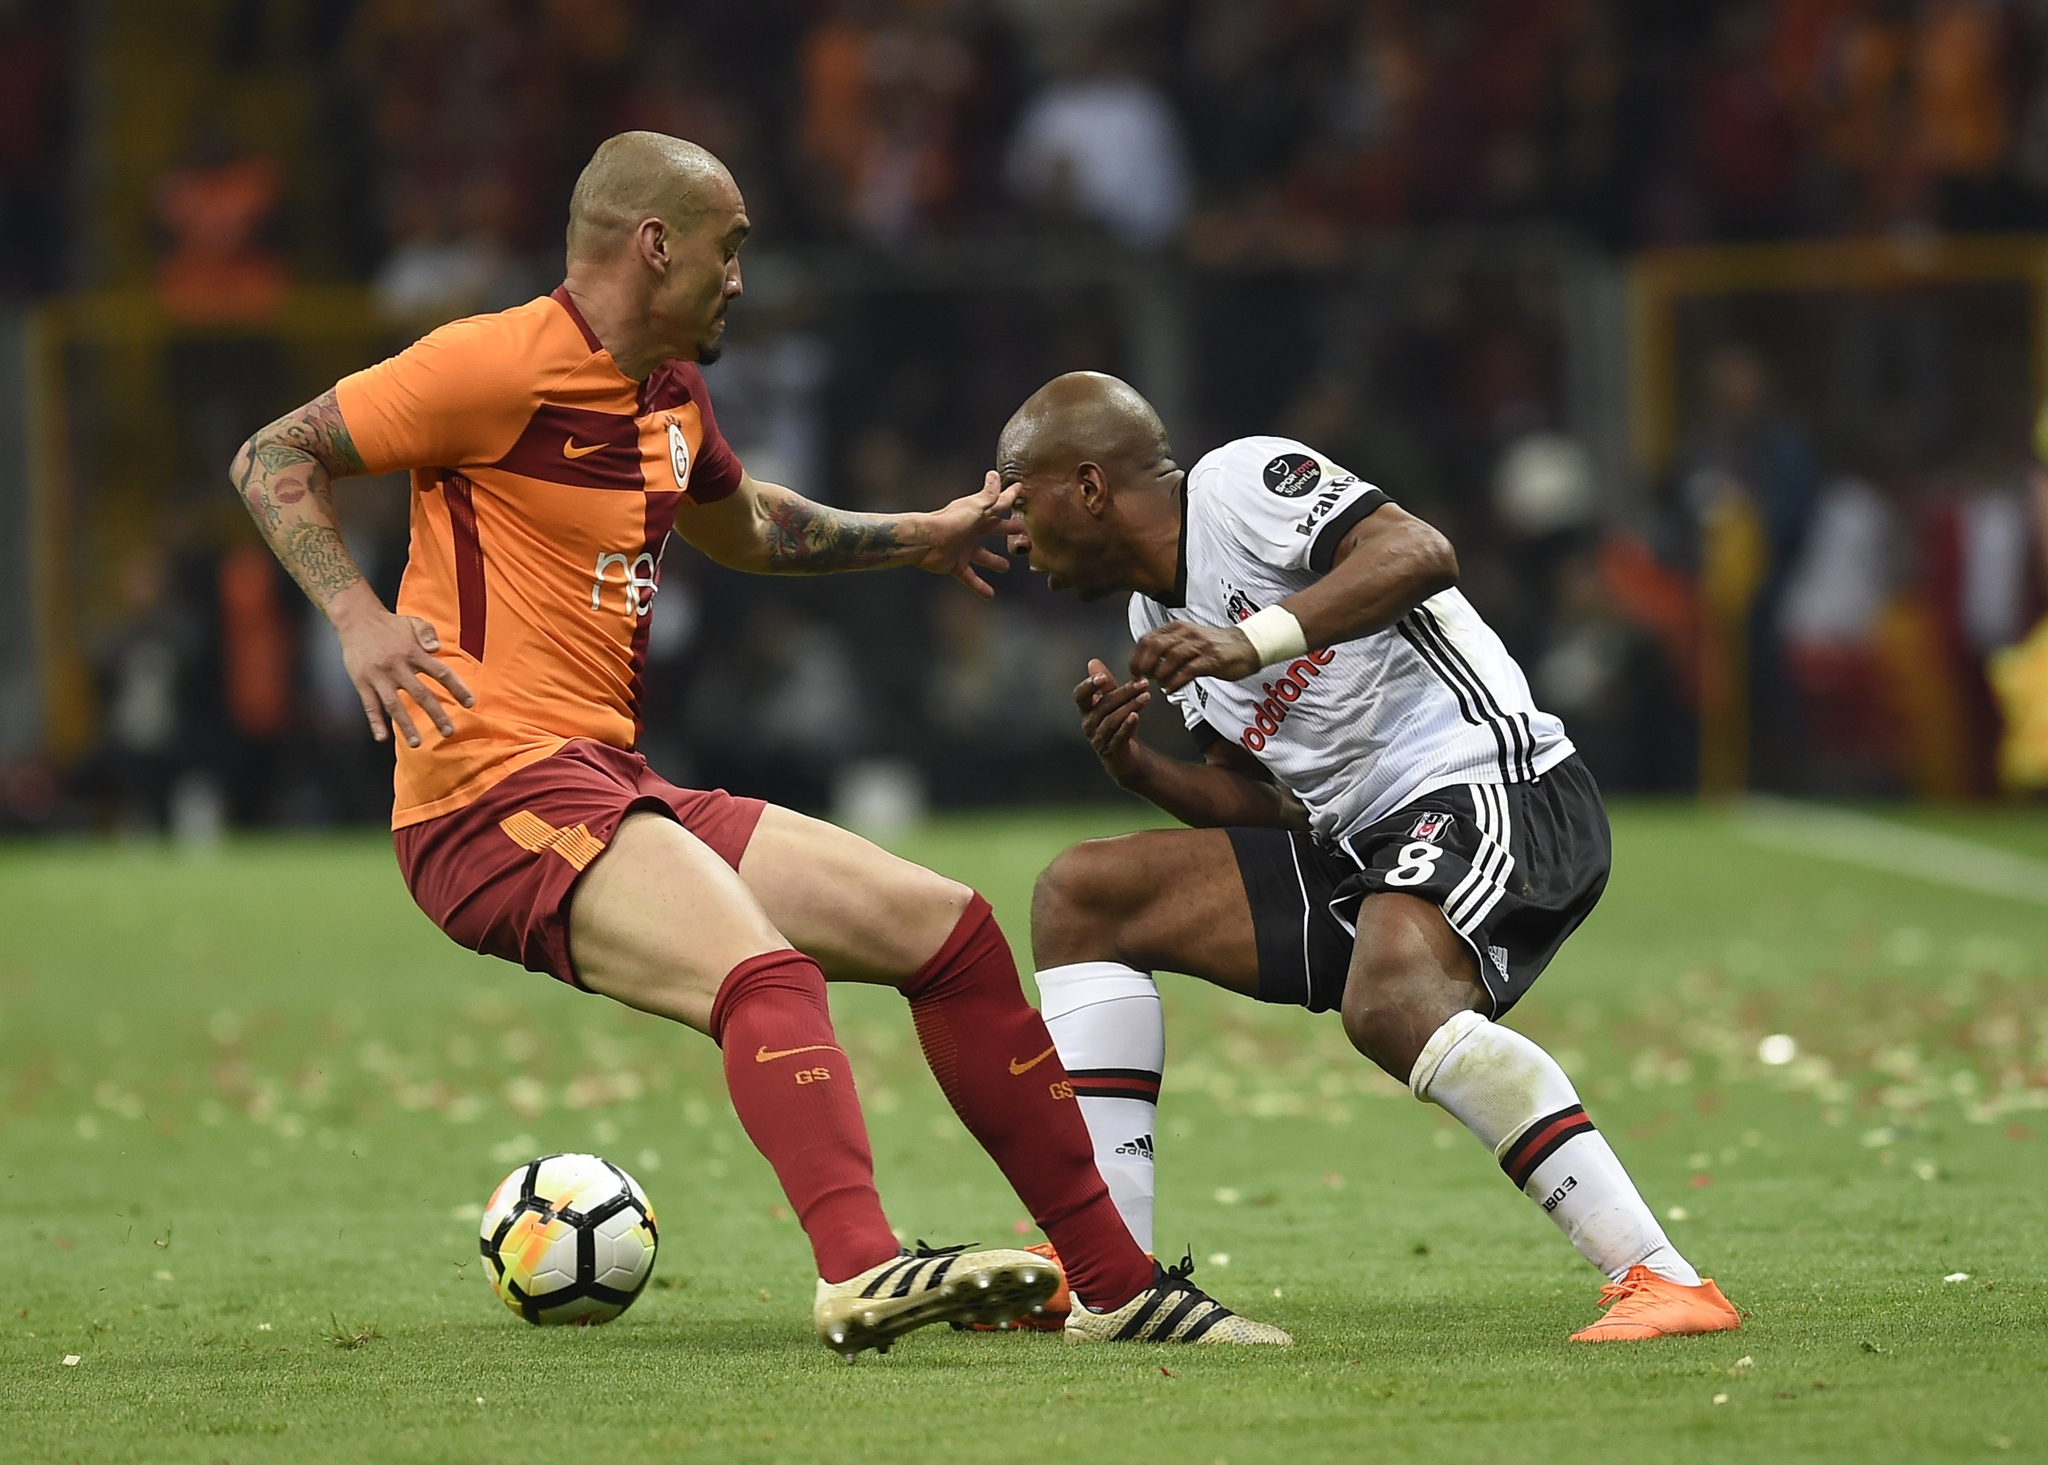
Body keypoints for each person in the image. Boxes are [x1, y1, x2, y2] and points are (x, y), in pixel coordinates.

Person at [228, 134, 1282, 1355]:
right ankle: (859, 1269)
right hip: (485, 795)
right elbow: (272, 453)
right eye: (726, 250)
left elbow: (749, 528)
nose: (739, 278)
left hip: (607, 781)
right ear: (654, 246)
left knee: (947, 931)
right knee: (764, 976)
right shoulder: (493, 362)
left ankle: (1114, 1286)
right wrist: (357, 618)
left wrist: (920, 533)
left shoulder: (670, 395)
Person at [992, 371, 1742, 1343]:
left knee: (1390, 1002)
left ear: (1089, 487)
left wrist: (1247, 642)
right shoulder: (1151, 622)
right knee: (1083, 895)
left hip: (1489, 779)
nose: (1012, 533)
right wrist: (1140, 770)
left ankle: (1661, 1277)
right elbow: (1266, 804)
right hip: (1355, 842)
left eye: (1019, 500)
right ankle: (1108, 1275)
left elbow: (1418, 551)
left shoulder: (1238, 483)